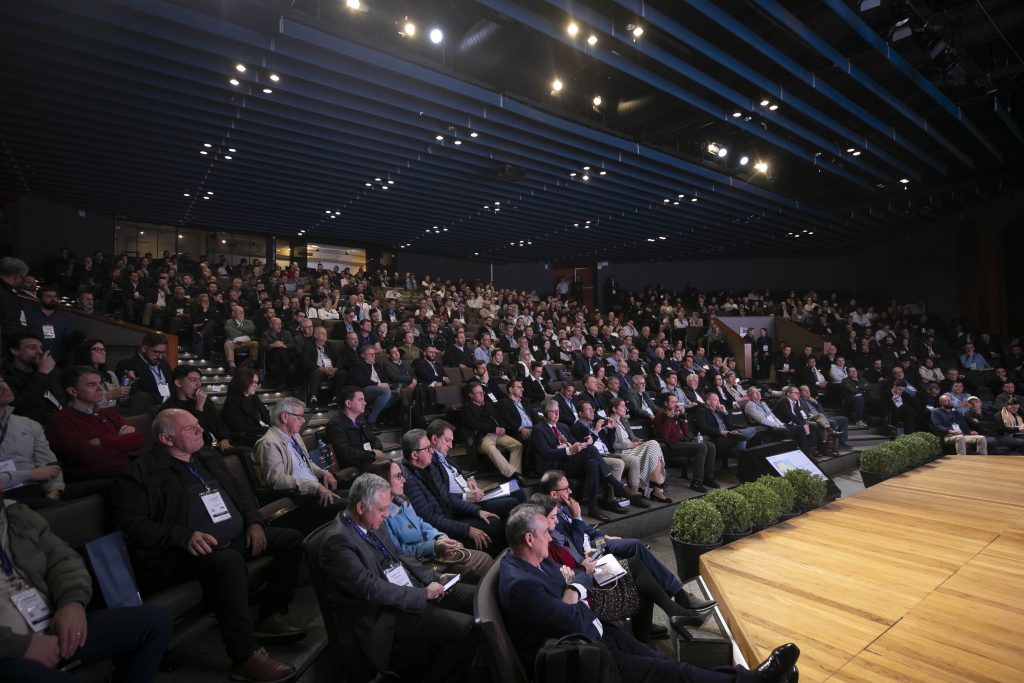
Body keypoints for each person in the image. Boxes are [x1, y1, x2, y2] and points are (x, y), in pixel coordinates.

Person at [498, 504, 800, 683]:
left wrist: (574, 591)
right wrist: (577, 584)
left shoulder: (537, 560)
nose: (550, 537)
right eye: (545, 533)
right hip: (579, 653)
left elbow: (575, 602)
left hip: (597, 629)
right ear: (529, 538)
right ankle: (755, 680)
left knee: (670, 667)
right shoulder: (519, 583)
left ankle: (747, 677)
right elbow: (573, 613)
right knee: (666, 671)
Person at [110, 409, 306, 682]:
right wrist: (182, 536)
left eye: (198, 424)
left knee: (291, 539)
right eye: (190, 429)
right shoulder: (139, 474)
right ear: (166, 439)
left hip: (233, 538)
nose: (200, 429)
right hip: (179, 554)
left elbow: (241, 493)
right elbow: (130, 524)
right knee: (227, 563)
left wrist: (254, 522)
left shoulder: (207, 458)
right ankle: (245, 655)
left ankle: (269, 615)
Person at [0, 482, 172, 683]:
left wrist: (72, 602)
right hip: (8, 650)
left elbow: (63, 559)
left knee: (154, 621)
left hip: (48, 623)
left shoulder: (15, 514)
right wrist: (19, 646)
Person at [317, 472, 479, 683]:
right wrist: (422, 595)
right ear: (360, 507)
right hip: (386, 613)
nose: (387, 514)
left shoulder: (373, 520)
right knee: (467, 628)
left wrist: (434, 577)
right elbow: (372, 590)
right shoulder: (337, 542)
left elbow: (399, 555)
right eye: (382, 510)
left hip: (410, 591)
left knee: (476, 598)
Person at [369, 460, 493, 583]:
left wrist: (439, 536)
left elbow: (420, 523)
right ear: (383, 481)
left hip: (431, 552)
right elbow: (398, 552)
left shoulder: (401, 499)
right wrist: (432, 547)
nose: (404, 480)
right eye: (398, 476)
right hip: (418, 565)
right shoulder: (380, 516)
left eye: (402, 475)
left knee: (484, 558)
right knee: (483, 562)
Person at [401, 428, 506, 554]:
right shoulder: (409, 481)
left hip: (450, 517)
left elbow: (448, 497)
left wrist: (477, 511)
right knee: (485, 539)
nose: (432, 451)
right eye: (427, 448)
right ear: (414, 455)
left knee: (493, 522)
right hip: (440, 532)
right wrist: (467, 530)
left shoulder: (429, 466)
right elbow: (431, 519)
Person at [530, 399, 629, 523]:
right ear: (545, 413)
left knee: (592, 463)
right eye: (553, 412)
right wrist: (570, 450)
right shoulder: (539, 429)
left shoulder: (563, 426)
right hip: (554, 465)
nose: (557, 414)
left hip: (569, 462)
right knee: (592, 450)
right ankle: (616, 485)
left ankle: (593, 507)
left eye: (558, 411)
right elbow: (546, 453)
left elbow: (573, 443)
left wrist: (580, 444)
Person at [251, 398, 343, 528]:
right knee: (350, 506)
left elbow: (307, 462)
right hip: (298, 497)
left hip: (314, 489)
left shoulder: (295, 435)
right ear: (284, 417)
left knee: (358, 496)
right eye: (299, 417)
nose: (303, 420)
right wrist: (314, 487)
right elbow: (277, 480)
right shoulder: (269, 443)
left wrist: (324, 473)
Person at [44, 366, 143, 484]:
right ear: (72, 391)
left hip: (125, 471)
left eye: (100, 383)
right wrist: (122, 442)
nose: (100, 388)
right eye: (92, 385)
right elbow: (86, 456)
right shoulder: (61, 420)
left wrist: (102, 441)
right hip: (94, 477)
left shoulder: (107, 413)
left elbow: (139, 440)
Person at [426, 419, 521, 518]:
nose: (450, 446)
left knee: (516, 488)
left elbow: (456, 474)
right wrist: (466, 496)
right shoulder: (430, 461)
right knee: (511, 502)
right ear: (434, 439)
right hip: (466, 502)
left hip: (474, 494)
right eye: (447, 440)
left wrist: (469, 479)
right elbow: (442, 494)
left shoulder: (443, 454)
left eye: (451, 441)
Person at [0, 376, 66, 505]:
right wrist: (30, 474)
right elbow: (39, 473)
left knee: (109, 484)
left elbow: (48, 463)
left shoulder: (29, 424)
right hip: (6, 496)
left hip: (37, 489)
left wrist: (54, 489)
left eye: (2, 381)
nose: (4, 387)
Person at [607, 397, 670, 502]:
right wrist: (629, 446)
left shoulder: (624, 420)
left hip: (633, 448)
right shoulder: (609, 422)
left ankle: (655, 488)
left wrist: (639, 441)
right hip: (623, 452)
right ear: (614, 409)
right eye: (622, 406)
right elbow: (611, 445)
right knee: (654, 445)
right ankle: (656, 487)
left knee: (654, 448)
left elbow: (632, 437)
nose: (625, 408)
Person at [658, 393, 721, 492]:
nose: (675, 404)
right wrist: (669, 418)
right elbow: (664, 436)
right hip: (669, 446)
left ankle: (708, 478)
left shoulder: (675, 414)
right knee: (702, 447)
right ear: (666, 403)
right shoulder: (661, 415)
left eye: (676, 402)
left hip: (681, 442)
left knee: (711, 445)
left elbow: (686, 432)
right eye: (672, 402)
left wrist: (682, 417)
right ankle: (696, 482)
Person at [164, 365, 233, 453]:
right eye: (193, 380)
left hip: (209, 448)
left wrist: (224, 438)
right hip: (189, 451)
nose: (199, 384)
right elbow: (191, 435)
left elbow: (218, 422)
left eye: (199, 380)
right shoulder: (170, 408)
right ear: (178, 383)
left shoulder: (204, 400)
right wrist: (199, 407)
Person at [462, 382, 524, 479]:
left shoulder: (489, 404)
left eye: (482, 392)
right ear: (471, 395)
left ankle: (515, 473)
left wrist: (502, 427)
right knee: (491, 449)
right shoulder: (467, 408)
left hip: (497, 434)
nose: (482, 394)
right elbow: (474, 424)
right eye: (478, 393)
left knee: (517, 445)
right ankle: (513, 474)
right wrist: (494, 429)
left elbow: (499, 418)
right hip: (483, 437)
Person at [1, 332, 60, 426]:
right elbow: (18, 407)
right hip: (24, 427)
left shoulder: (49, 370)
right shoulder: (3, 376)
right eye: (32, 348)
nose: (40, 352)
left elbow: (60, 399)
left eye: (41, 348)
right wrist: (42, 373)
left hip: (53, 424)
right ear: (15, 351)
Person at [324, 387, 388, 472]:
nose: (365, 403)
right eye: (360, 400)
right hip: (357, 468)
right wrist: (372, 454)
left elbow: (374, 439)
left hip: (368, 461)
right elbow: (346, 455)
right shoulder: (335, 425)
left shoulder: (360, 419)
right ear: (348, 403)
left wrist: (376, 451)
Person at [114, 333, 173, 412]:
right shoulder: (128, 365)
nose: (160, 356)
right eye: (156, 352)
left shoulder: (164, 364)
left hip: (169, 407)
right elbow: (135, 395)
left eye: (162, 353)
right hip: (146, 411)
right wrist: (164, 398)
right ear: (144, 348)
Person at [347, 345, 399, 427]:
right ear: (363, 355)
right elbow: (361, 381)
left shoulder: (376, 364)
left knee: (398, 395)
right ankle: (371, 419)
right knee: (385, 391)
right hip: (364, 389)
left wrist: (387, 384)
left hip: (379, 389)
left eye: (374, 354)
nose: (373, 356)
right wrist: (379, 385)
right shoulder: (358, 364)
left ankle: (372, 411)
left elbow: (384, 378)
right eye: (369, 354)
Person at [71, 340, 130, 410]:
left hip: (115, 410)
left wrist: (127, 381)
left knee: (140, 397)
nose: (103, 353)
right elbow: (86, 406)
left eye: (104, 350)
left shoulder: (110, 374)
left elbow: (121, 400)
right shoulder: (79, 376)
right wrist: (109, 396)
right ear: (86, 352)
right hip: (96, 413)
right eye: (98, 350)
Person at [221, 367, 272, 447]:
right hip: (242, 439)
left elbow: (265, 414)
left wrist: (275, 427)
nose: (256, 386)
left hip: (254, 435)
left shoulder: (252, 395)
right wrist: (269, 430)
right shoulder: (232, 401)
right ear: (243, 381)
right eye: (253, 382)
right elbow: (240, 428)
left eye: (257, 383)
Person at [299, 325, 344, 408]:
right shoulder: (308, 346)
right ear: (315, 335)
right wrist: (321, 369)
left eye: (326, 334)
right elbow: (306, 363)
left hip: (331, 370)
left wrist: (335, 369)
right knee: (317, 372)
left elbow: (339, 360)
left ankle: (336, 398)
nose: (325, 335)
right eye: (322, 333)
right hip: (318, 370)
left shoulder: (331, 346)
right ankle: (313, 399)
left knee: (342, 374)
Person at [223, 304, 260, 370]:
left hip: (247, 342)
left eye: (242, 312)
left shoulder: (249, 322)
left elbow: (251, 329)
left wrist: (237, 328)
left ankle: (252, 363)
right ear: (233, 313)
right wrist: (245, 334)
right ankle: (232, 365)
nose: (242, 313)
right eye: (239, 312)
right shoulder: (229, 322)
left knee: (255, 343)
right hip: (234, 343)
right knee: (227, 343)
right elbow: (231, 333)